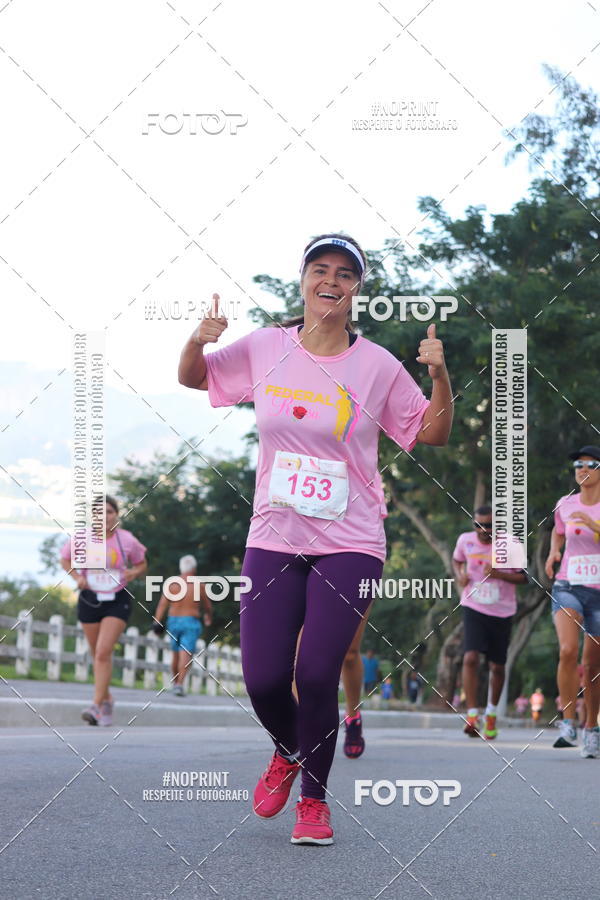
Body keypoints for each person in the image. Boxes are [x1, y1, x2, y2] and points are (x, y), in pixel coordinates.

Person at [178, 232, 453, 845]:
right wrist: (198, 340)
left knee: (318, 668)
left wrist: (438, 375)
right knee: (263, 679)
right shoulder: (267, 348)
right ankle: (287, 749)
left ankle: (314, 801)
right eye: (320, 270)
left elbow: (431, 432)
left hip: (350, 539)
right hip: (273, 536)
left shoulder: (377, 364)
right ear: (303, 280)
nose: (331, 281)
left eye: (344, 273)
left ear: (358, 288)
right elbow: (196, 379)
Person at [60, 495, 147, 726]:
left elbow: (142, 562)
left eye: (109, 512)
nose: (105, 517)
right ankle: (108, 700)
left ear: (116, 515)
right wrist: (77, 577)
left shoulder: (127, 540)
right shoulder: (81, 538)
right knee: (97, 655)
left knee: (102, 652)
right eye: (99, 512)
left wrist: (133, 573)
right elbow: (65, 559)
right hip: (89, 598)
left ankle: (96, 707)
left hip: (117, 599)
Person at [452, 505, 527, 741]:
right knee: (470, 657)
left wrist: (500, 574)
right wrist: (459, 575)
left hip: (502, 612)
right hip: (474, 605)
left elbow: (524, 577)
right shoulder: (465, 540)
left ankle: (491, 714)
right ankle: (472, 715)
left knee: (497, 666)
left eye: (489, 525)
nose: (483, 530)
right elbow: (457, 561)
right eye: (479, 525)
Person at [545, 444, 600, 757]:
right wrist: (554, 550)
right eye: (578, 464)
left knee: (592, 665)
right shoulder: (565, 503)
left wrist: (592, 525)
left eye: (590, 464)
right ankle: (567, 722)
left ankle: (591, 727)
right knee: (567, 650)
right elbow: (559, 530)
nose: (582, 469)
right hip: (568, 584)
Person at [152, 555, 213, 695]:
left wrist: (156, 620)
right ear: (194, 568)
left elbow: (162, 604)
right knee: (186, 653)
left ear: (181, 568)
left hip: (173, 620)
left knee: (175, 653)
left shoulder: (172, 584)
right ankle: (179, 684)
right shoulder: (199, 585)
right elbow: (208, 607)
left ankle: (175, 683)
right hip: (190, 621)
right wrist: (208, 617)